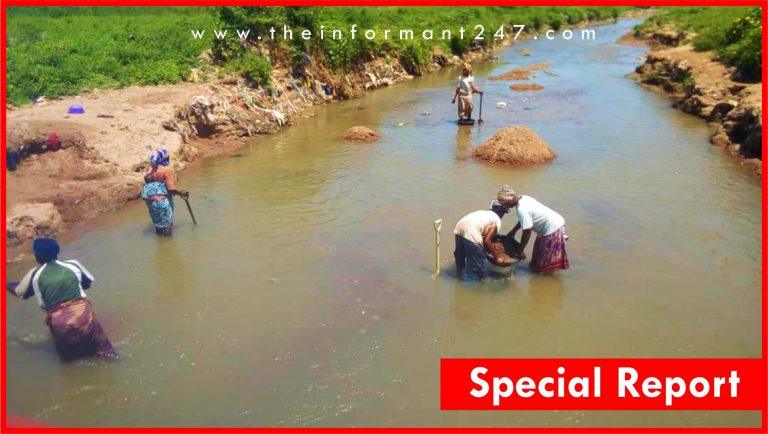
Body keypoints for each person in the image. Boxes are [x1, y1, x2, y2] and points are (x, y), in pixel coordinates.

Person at [7, 238, 117, 361]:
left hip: (60, 323)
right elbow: (87, 283)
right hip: (84, 315)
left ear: (36, 256)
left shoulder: (34, 275)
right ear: (57, 251)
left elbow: (18, 291)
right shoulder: (72, 264)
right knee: (107, 353)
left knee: (69, 362)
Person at [497, 185, 569, 273]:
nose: (506, 207)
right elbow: (525, 219)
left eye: (504, 204)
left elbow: (527, 231)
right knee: (536, 260)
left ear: (509, 200)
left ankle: (546, 280)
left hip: (552, 229)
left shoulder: (521, 209)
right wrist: (513, 232)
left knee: (544, 266)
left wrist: (520, 250)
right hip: (555, 222)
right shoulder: (524, 198)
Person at [453, 201, 509, 280]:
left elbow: (483, 236)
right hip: (472, 232)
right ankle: (475, 287)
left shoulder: (483, 213)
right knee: (478, 270)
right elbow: (487, 240)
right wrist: (496, 257)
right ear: (502, 213)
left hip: (459, 228)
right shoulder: (497, 220)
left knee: (460, 257)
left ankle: (458, 278)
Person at [141, 148, 188, 237]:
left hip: (152, 204)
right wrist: (181, 193)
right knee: (167, 225)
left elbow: (147, 191)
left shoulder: (150, 173)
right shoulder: (164, 172)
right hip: (164, 201)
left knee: (158, 224)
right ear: (162, 159)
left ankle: (161, 244)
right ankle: (168, 246)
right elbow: (171, 189)